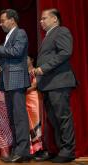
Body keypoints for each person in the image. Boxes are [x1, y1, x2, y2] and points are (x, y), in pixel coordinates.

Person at [0, 9, 31, 163]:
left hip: (17, 79)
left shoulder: (20, 33)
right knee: (13, 118)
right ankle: (17, 150)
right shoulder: (8, 36)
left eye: (3, 20)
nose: (1, 23)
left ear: (12, 20)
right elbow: (5, 59)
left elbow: (17, 52)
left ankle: (23, 151)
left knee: (19, 117)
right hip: (8, 80)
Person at [34, 8, 77, 163]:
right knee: (54, 119)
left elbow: (65, 52)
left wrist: (43, 68)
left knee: (63, 117)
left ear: (55, 19)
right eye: (40, 19)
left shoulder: (61, 31)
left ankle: (68, 151)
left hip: (59, 82)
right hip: (49, 84)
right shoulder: (48, 36)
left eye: (44, 18)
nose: (41, 21)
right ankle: (61, 149)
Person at [26, 56, 43, 155]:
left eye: (27, 58)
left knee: (36, 121)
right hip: (25, 99)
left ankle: (39, 148)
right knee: (29, 124)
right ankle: (31, 149)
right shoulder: (23, 73)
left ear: (32, 60)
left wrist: (23, 90)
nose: (25, 60)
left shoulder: (35, 71)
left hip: (34, 98)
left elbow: (34, 85)